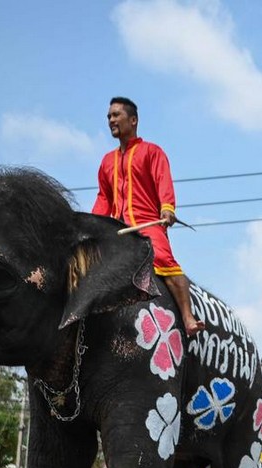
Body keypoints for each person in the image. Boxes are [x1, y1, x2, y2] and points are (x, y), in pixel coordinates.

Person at [93, 96, 204, 336]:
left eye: (116, 115)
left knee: (164, 260)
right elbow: (104, 198)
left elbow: (163, 180)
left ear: (133, 120)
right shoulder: (106, 162)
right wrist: (94, 226)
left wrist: (167, 208)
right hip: (116, 229)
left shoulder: (152, 152)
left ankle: (187, 317)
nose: (111, 120)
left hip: (147, 224)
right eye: (109, 116)